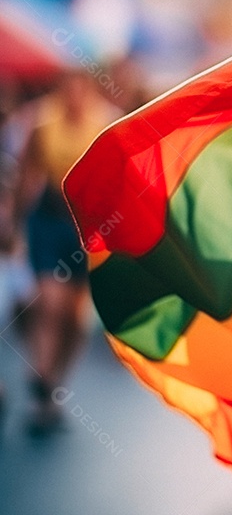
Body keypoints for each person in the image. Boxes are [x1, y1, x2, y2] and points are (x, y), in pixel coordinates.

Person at [11, 70, 117, 434]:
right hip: (50, 219)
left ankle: (53, 386)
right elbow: (27, 172)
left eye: (80, 88)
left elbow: (117, 177)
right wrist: (13, 221)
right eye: (67, 87)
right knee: (49, 303)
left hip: (86, 227)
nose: (73, 95)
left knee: (75, 317)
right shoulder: (42, 122)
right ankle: (41, 374)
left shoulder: (105, 121)